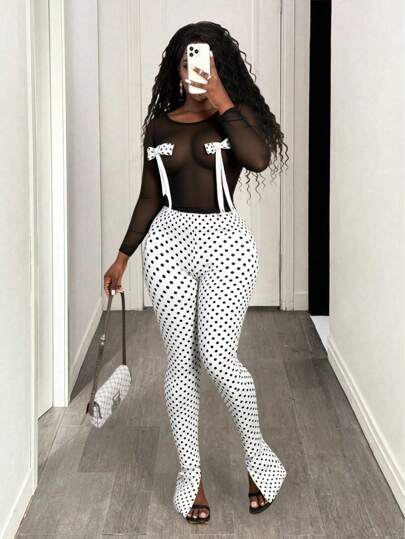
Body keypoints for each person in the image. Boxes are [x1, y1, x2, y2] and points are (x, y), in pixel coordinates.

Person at [104, 21, 289, 524]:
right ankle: (192, 475)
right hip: (167, 245)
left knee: (218, 357)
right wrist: (122, 256)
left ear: (218, 66)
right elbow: (150, 195)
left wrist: (222, 99)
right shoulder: (160, 126)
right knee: (180, 364)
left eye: (202, 60)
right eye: (186, 61)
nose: (193, 69)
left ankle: (260, 458)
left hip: (226, 245)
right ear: (176, 69)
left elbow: (257, 158)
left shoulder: (237, 116)